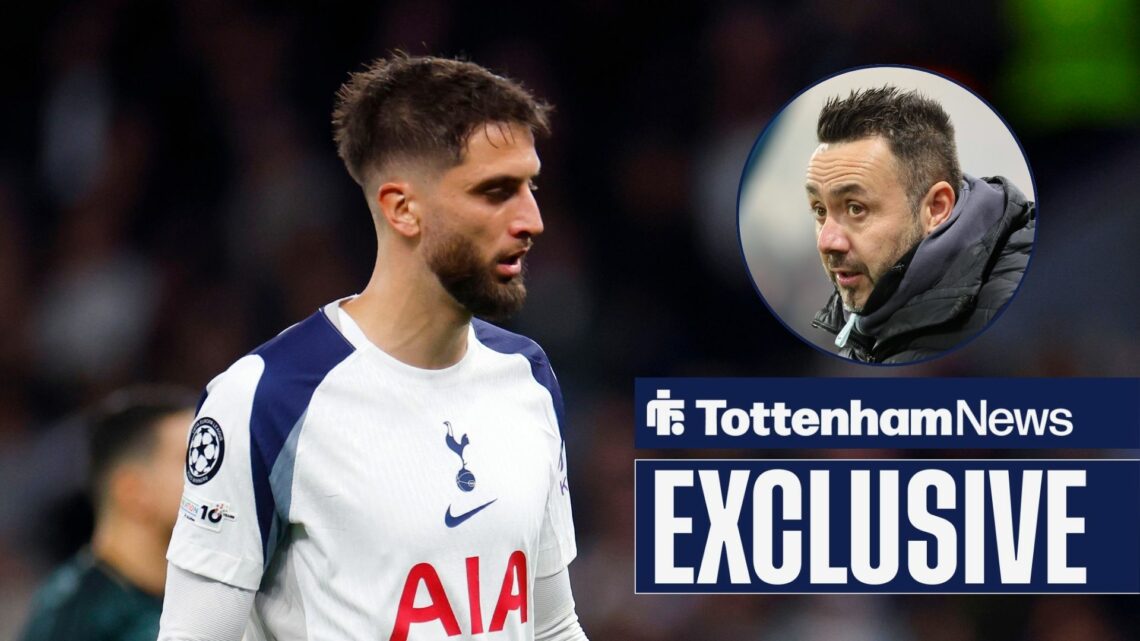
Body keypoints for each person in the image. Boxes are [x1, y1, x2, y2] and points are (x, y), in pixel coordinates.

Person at [158, 54, 588, 641]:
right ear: (402, 208)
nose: (531, 219)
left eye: (530, 186)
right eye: (496, 191)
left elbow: (551, 625)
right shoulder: (265, 400)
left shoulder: (527, 377)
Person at [806, 86, 1035, 363]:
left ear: (936, 208)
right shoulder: (869, 318)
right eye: (820, 210)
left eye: (856, 208)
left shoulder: (1016, 319)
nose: (826, 241)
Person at [18, 386, 196, 641]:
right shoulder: (75, 620)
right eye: (192, 459)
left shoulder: (191, 595)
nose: (210, 477)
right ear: (133, 492)